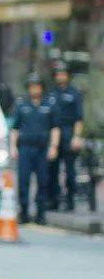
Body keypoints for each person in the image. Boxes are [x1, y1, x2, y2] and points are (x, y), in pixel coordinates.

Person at [10, 73, 60, 225]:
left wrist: (54, 146)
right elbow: (15, 128)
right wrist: (13, 147)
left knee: (43, 181)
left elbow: (55, 128)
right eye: (32, 86)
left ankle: (41, 214)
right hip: (25, 148)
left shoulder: (49, 105)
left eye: (37, 86)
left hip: (42, 148)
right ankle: (24, 212)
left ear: (42, 88)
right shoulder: (22, 105)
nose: (34, 89)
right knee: (23, 180)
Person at [47, 61, 85, 211]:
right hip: (54, 133)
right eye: (58, 74)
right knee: (52, 169)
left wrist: (76, 137)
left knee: (70, 170)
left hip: (69, 132)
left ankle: (70, 200)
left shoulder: (74, 93)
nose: (60, 76)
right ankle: (54, 200)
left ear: (68, 76)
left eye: (63, 74)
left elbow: (79, 118)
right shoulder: (50, 94)